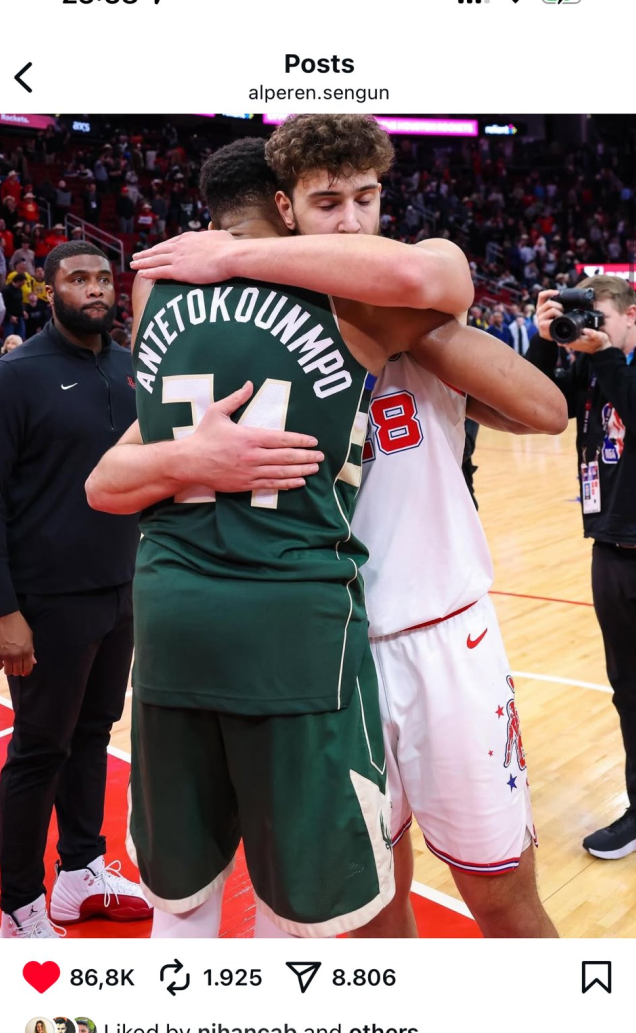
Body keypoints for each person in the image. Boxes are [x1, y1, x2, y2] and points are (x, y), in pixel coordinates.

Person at [112, 121, 564, 940]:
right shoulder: (255, 332)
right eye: (329, 203)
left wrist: (418, 338)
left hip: (444, 635)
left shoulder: (410, 300)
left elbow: (545, 409)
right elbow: (115, 471)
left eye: (366, 198)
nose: (353, 220)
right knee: (368, 909)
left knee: (502, 897)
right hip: (329, 653)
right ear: (285, 211)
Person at [0, 242, 152, 940]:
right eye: (77, 279)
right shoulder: (16, 377)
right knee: (39, 750)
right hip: (47, 601)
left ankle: (79, 872)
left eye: (102, 278)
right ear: (49, 290)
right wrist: (5, 611)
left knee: (92, 733)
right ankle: (18, 903)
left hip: (118, 588)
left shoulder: (129, 369)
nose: (94, 289)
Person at [528, 276, 636, 859]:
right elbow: (535, 406)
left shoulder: (615, 364)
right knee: (630, 692)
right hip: (612, 550)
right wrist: (545, 341)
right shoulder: (591, 368)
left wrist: (607, 356)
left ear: (631, 314)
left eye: (599, 319)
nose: (590, 330)